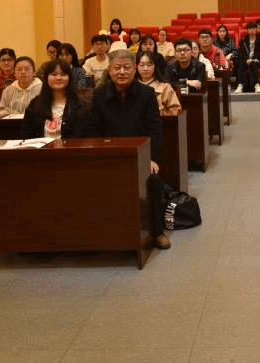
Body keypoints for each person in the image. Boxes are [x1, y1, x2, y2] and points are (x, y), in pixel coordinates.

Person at [83, 49, 171, 250]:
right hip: (109, 155)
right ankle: (99, 232)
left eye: (126, 67)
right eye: (117, 68)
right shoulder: (100, 94)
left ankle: (157, 232)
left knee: (153, 180)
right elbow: (93, 128)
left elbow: (154, 130)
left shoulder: (146, 94)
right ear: (109, 70)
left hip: (140, 155)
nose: (121, 72)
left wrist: (151, 158)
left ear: (135, 69)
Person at [22, 60, 89, 140]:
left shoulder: (79, 104)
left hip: (70, 147)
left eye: (63, 74)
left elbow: (81, 135)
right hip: (40, 147)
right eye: (54, 74)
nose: (58, 78)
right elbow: (27, 133)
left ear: (69, 78)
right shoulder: (35, 103)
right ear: (46, 78)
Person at [136, 51, 182, 115]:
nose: (145, 69)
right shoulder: (130, 86)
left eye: (149, 65)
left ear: (155, 66)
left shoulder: (165, 87)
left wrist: (161, 112)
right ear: (136, 66)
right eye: (142, 65)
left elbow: (176, 111)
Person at [235, 22, 260, 94]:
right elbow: (242, 52)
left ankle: (257, 85)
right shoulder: (243, 40)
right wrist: (247, 59)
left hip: (257, 59)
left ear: (256, 30)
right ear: (247, 30)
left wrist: (252, 59)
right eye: (250, 29)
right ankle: (240, 85)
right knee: (241, 63)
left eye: (253, 28)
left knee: (253, 63)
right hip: (246, 59)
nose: (252, 30)